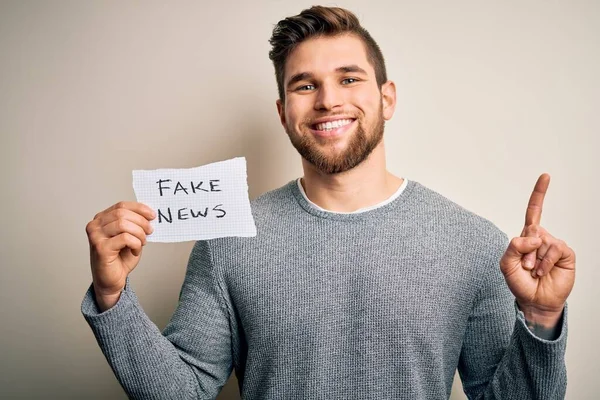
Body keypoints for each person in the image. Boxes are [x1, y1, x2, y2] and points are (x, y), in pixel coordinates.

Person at [82, 6, 576, 399]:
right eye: (305, 85)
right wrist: (112, 298)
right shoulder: (227, 242)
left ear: (388, 99)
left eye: (349, 78)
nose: (327, 100)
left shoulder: (474, 244)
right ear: (283, 112)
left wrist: (540, 320)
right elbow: (181, 392)